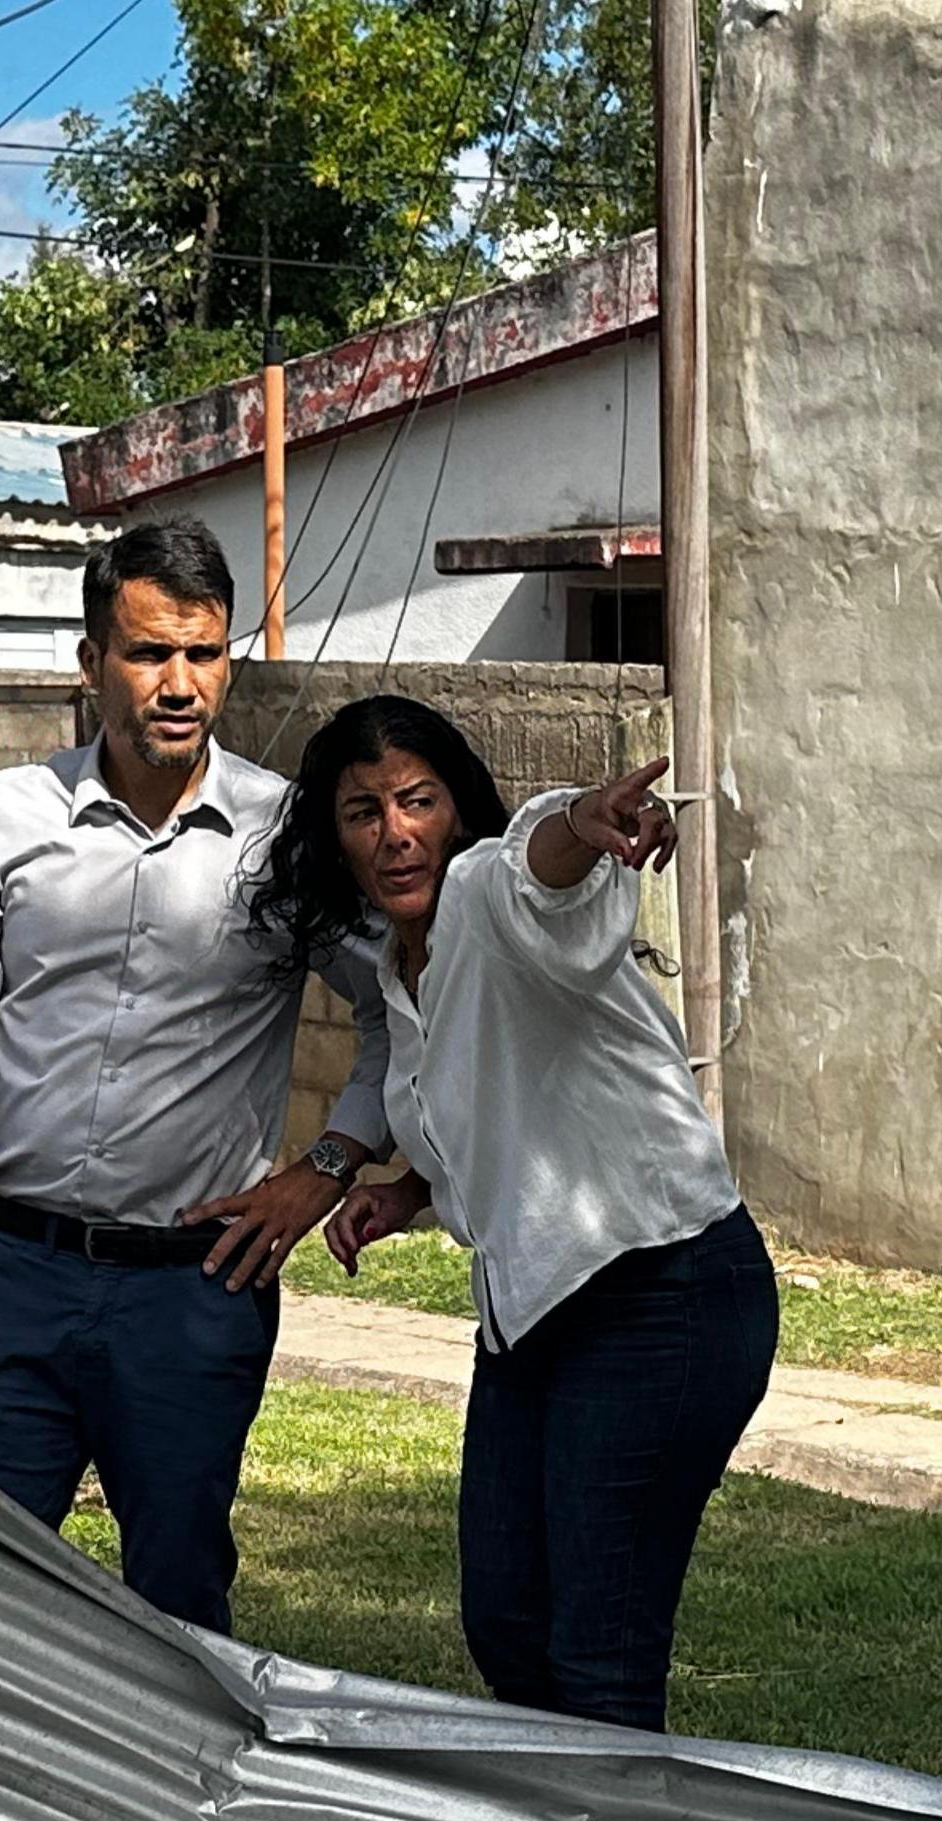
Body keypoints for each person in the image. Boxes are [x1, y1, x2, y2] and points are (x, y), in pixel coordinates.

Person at [0, 517, 389, 1634]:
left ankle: (175, 1811)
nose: (178, 684)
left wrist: (321, 1169)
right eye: (148, 652)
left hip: (190, 1293)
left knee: (175, 1603)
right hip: (9, 1281)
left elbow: (392, 1014)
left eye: (202, 655)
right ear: (89, 662)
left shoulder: (281, 837)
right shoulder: (0, 819)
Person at [252, 695, 777, 1732]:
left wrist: (588, 819)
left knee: (597, 1647)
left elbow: (545, 858)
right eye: (362, 811)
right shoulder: (398, 971)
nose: (394, 831)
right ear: (335, 836)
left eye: (416, 800)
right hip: (533, 1314)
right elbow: (491, 1107)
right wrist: (410, 1191)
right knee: (506, 1623)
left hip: (661, 1291)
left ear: (456, 809)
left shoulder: (488, 893)